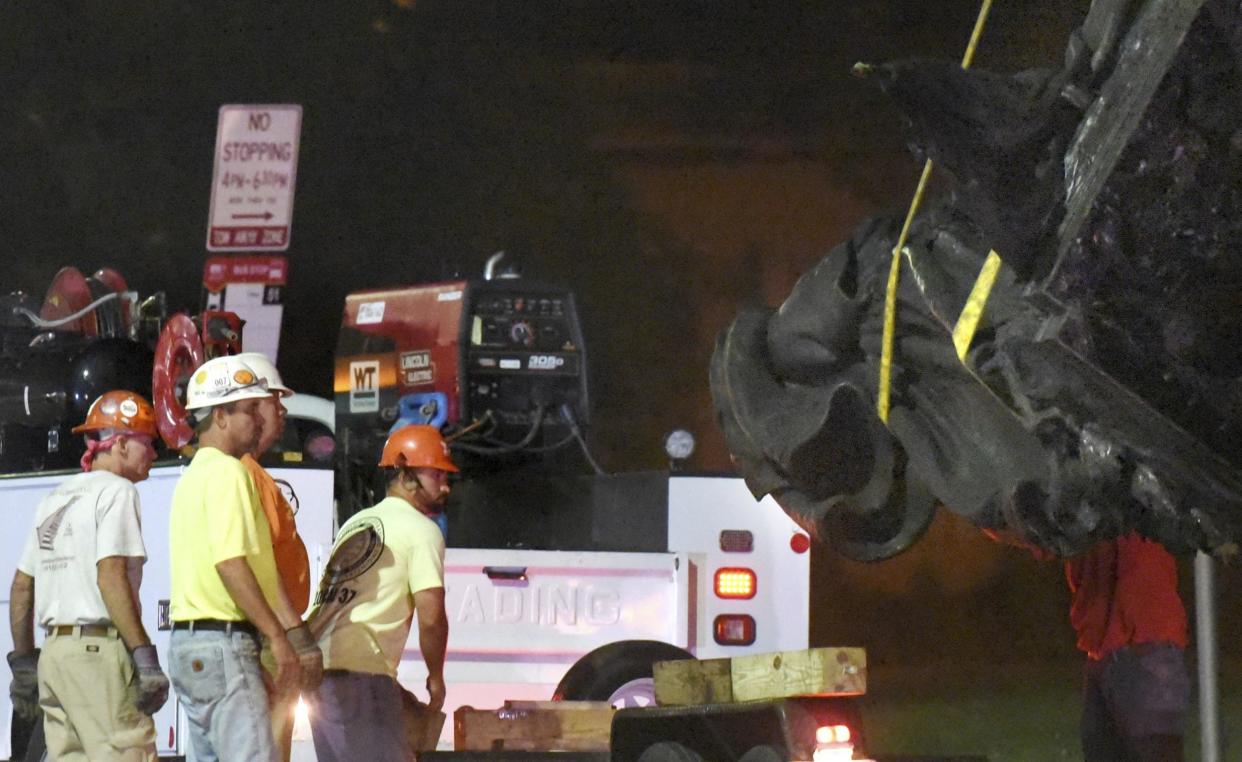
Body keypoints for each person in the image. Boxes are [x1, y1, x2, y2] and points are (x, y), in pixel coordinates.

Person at [166, 355, 321, 762]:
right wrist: (277, 636)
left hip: (190, 645)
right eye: (251, 409)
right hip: (225, 644)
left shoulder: (195, 474)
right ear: (220, 416)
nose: (261, 418)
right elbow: (231, 563)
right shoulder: (229, 473)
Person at [7, 390, 169, 761]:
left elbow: (21, 587)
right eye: (148, 443)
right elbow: (110, 575)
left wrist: (24, 663)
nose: (155, 454)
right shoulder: (118, 492)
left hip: (55, 657)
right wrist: (143, 655)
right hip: (99, 656)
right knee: (127, 752)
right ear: (121, 445)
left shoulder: (55, 499)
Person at [307, 424, 452, 762]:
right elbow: (432, 618)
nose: (445, 486)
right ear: (406, 474)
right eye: (436, 474)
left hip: (322, 673)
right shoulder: (422, 531)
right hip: (362, 676)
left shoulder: (356, 523)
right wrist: (436, 677)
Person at [236, 351, 316, 762]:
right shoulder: (246, 475)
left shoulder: (252, 473)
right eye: (274, 401)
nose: (282, 412)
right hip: (267, 637)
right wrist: (290, 634)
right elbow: (259, 565)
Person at [1069, 532, 1189, 762]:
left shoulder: (1136, 505)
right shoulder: (1073, 508)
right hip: (1101, 651)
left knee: (1154, 750)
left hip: (1147, 644)